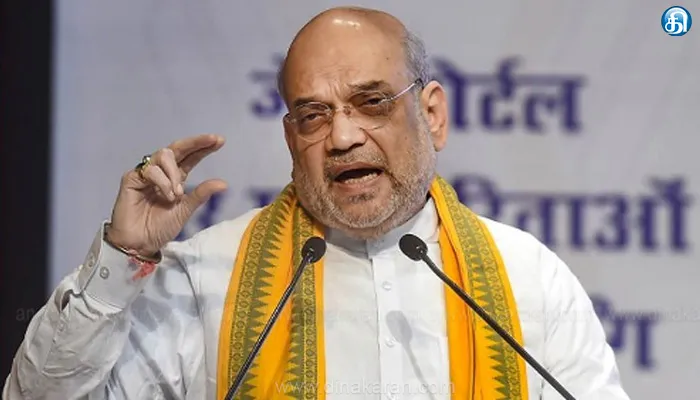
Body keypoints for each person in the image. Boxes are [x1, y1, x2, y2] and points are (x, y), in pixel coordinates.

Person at [3, 6, 630, 400]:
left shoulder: (528, 278)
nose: (343, 136)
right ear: (291, 139)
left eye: (372, 102)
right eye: (313, 114)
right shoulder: (204, 278)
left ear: (433, 115)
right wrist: (121, 257)